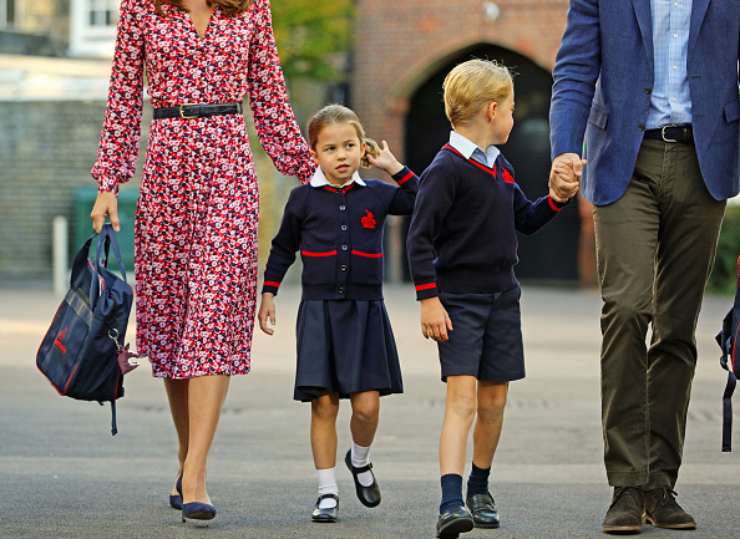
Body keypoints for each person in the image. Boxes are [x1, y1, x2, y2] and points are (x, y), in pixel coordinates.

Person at [88, 0, 316, 525]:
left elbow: (271, 100)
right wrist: (109, 182)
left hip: (229, 169)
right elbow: (123, 99)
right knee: (172, 322)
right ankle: (187, 456)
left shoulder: (251, 8)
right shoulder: (142, 8)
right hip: (166, 168)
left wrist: (315, 172)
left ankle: (196, 472)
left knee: (214, 315)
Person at [549, 1, 739, 533]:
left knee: (678, 327)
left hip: (705, 161)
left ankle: (660, 484)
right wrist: (564, 149)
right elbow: (575, 68)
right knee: (628, 308)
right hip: (623, 161)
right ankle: (627, 484)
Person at [406, 59, 581, 539]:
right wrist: (428, 300)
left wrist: (557, 200)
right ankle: (449, 501)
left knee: (495, 400)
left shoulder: (499, 166)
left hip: (504, 298)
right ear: (491, 110)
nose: (513, 116)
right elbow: (419, 239)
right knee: (461, 399)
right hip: (458, 302)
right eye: (510, 109)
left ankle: (479, 487)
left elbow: (524, 217)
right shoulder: (446, 169)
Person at [257, 104, 419, 523]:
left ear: (361, 147)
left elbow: (424, 200)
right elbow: (282, 249)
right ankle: (326, 491)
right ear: (314, 153)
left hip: (366, 313)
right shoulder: (302, 198)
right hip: (319, 313)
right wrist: (268, 294)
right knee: (324, 405)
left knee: (366, 407)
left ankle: (360, 460)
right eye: (330, 148)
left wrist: (393, 166)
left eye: (349, 145)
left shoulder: (378, 194)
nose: (341, 155)